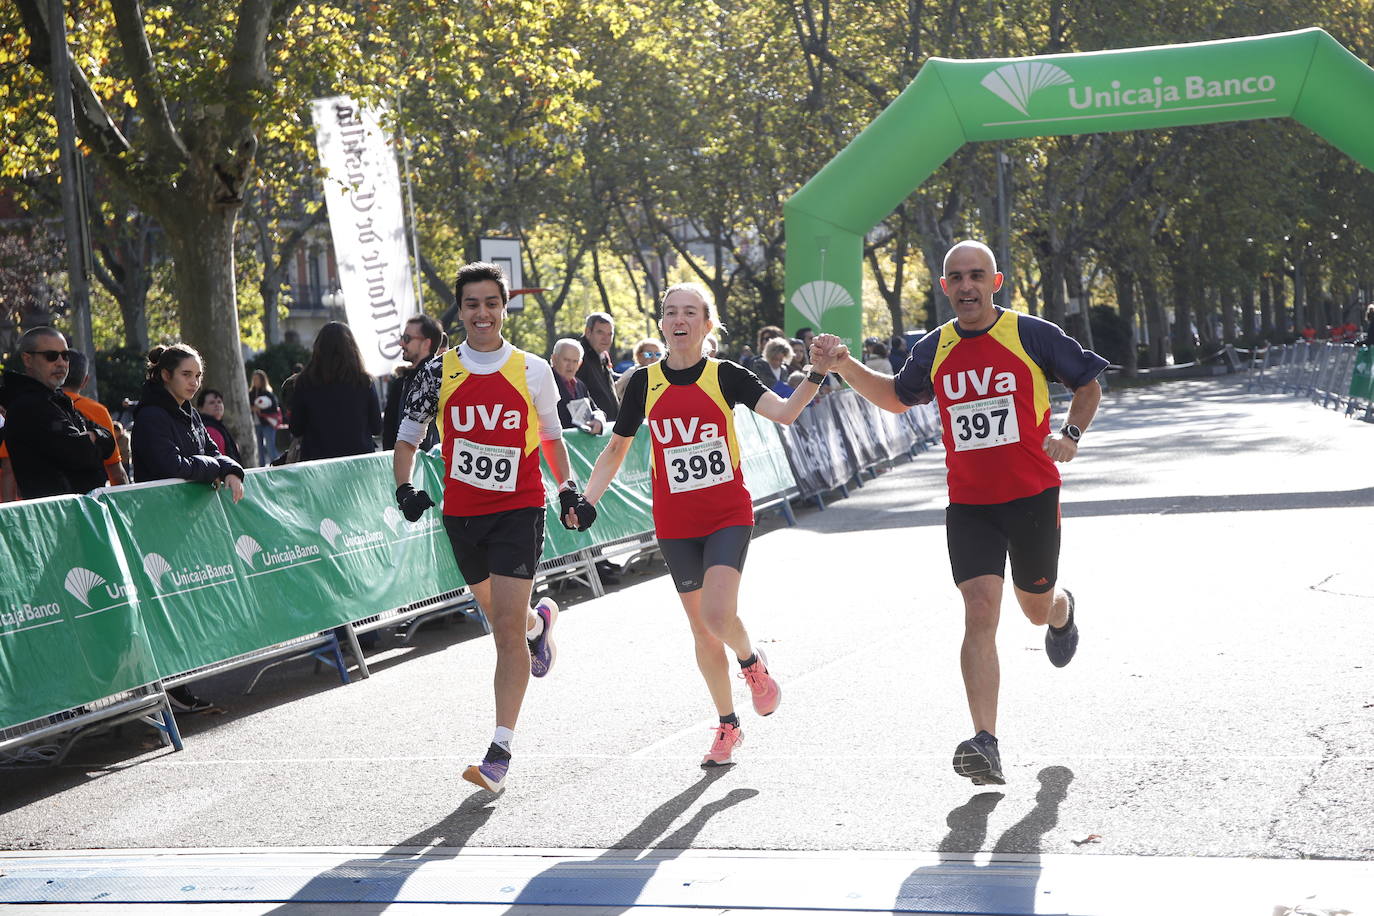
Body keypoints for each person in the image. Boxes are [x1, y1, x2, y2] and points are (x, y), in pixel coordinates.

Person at [814, 240, 1105, 787]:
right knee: (978, 612)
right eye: (955, 277)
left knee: (1035, 608)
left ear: (995, 283)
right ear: (944, 287)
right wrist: (843, 364)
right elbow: (899, 397)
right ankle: (986, 743)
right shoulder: (934, 347)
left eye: (977, 276)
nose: (966, 285)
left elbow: (1086, 383)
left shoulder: (1030, 334)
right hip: (969, 503)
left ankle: (1063, 610)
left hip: (1032, 496)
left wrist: (1070, 433)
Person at [570, 282, 841, 768]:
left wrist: (816, 374)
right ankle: (728, 725)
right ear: (661, 324)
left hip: (726, 515)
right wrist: (588, 501)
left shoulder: (726, 376)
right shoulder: (642, 383)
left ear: (706, 323)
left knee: (718, 616)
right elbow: (617, 448)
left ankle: (751, 662)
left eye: (690, 312)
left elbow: (783, 412)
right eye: (671, 311)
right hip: (675, 522)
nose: (679, 319)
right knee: (701, 631)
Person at [392, 261, 585, 794]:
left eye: (491, 303)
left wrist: (566, 487)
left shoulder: (532, 369)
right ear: (460, 310)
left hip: (520, 509)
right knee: (503, 615)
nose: (482, 313)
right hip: (462, 514)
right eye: (471, 304)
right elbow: (408, 436)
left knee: (501, 631)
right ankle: (537, 624)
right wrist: (404, 486)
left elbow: (550, 436)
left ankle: (499, 750)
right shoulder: (437, 371)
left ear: (504, 307)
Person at [132, 343, 246, 714]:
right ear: (165, 375)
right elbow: (171, 465)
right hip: (160, 522)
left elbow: (211, 452)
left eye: (198, 376)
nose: (195, 382)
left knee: (182, 604)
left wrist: (229, 467)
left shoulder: (188, 412)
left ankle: (178, 682)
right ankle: (166, 687)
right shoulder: (151, 415)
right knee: (165, 606)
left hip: (186, 522)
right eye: (187, 374)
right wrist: (217, 468)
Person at [0, 328, 115, 499]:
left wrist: (92, 437)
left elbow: (109, 441)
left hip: (80, 511)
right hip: (57, 516)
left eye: (65, 355)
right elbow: (81, 453)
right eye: (51, 356)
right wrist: (91, 438)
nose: (61, 362)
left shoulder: (59, 400)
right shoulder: (28, 406)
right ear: (28, 359)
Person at [289, 321, 383, 461]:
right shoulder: (364, 382)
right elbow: (376, 427)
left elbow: (296, 428)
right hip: (359, 462)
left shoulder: (304, 382)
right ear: (352, 348)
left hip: (317, 464)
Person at [58, 351, 129, 486]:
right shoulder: (97, 411)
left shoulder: (35, 407)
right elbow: (116, 472)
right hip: (88, 498)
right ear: (85, 380)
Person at [383, 315, 444, 451]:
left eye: (407, 339)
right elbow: (390, 429)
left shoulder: (437, 380)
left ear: (426, 344)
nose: (401, 343)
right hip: (404, 463)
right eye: (402, 337)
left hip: (426, 466)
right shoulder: (402, 381)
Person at [550, 338, 607, 435]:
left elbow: (596, 410)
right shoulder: (545, 382)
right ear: (554, 359)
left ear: (579, 364)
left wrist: (599, 419)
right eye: (566, 360)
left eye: (575, 361)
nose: (570, 366)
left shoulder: (580, 385)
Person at [576, 312, 620, 420]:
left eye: (610, 334)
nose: (606, 338)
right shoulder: (578, 355)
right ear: (588, 332)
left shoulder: (602, 355)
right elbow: (575, 393)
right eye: (600, 332)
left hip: (608, 426)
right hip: (592, 428)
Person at [195, 389, 243, 464]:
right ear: (201, 409)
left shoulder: (218, 426)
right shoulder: (209, 429)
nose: (217, 405)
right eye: (212, 403)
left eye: (219, 402)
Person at [248, 369, 282, 466]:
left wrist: (260, 410)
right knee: (259, 449)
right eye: (253, 379)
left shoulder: (268, 393)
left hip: (267, 424)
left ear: (262, 380)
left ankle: (277, 467)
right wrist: (252, 408)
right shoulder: (250, 394)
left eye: (257, 379)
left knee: (270, 447)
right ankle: (261, 469)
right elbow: (247, 407)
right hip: (255, 424)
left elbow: (274, 408)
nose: (255, 381)